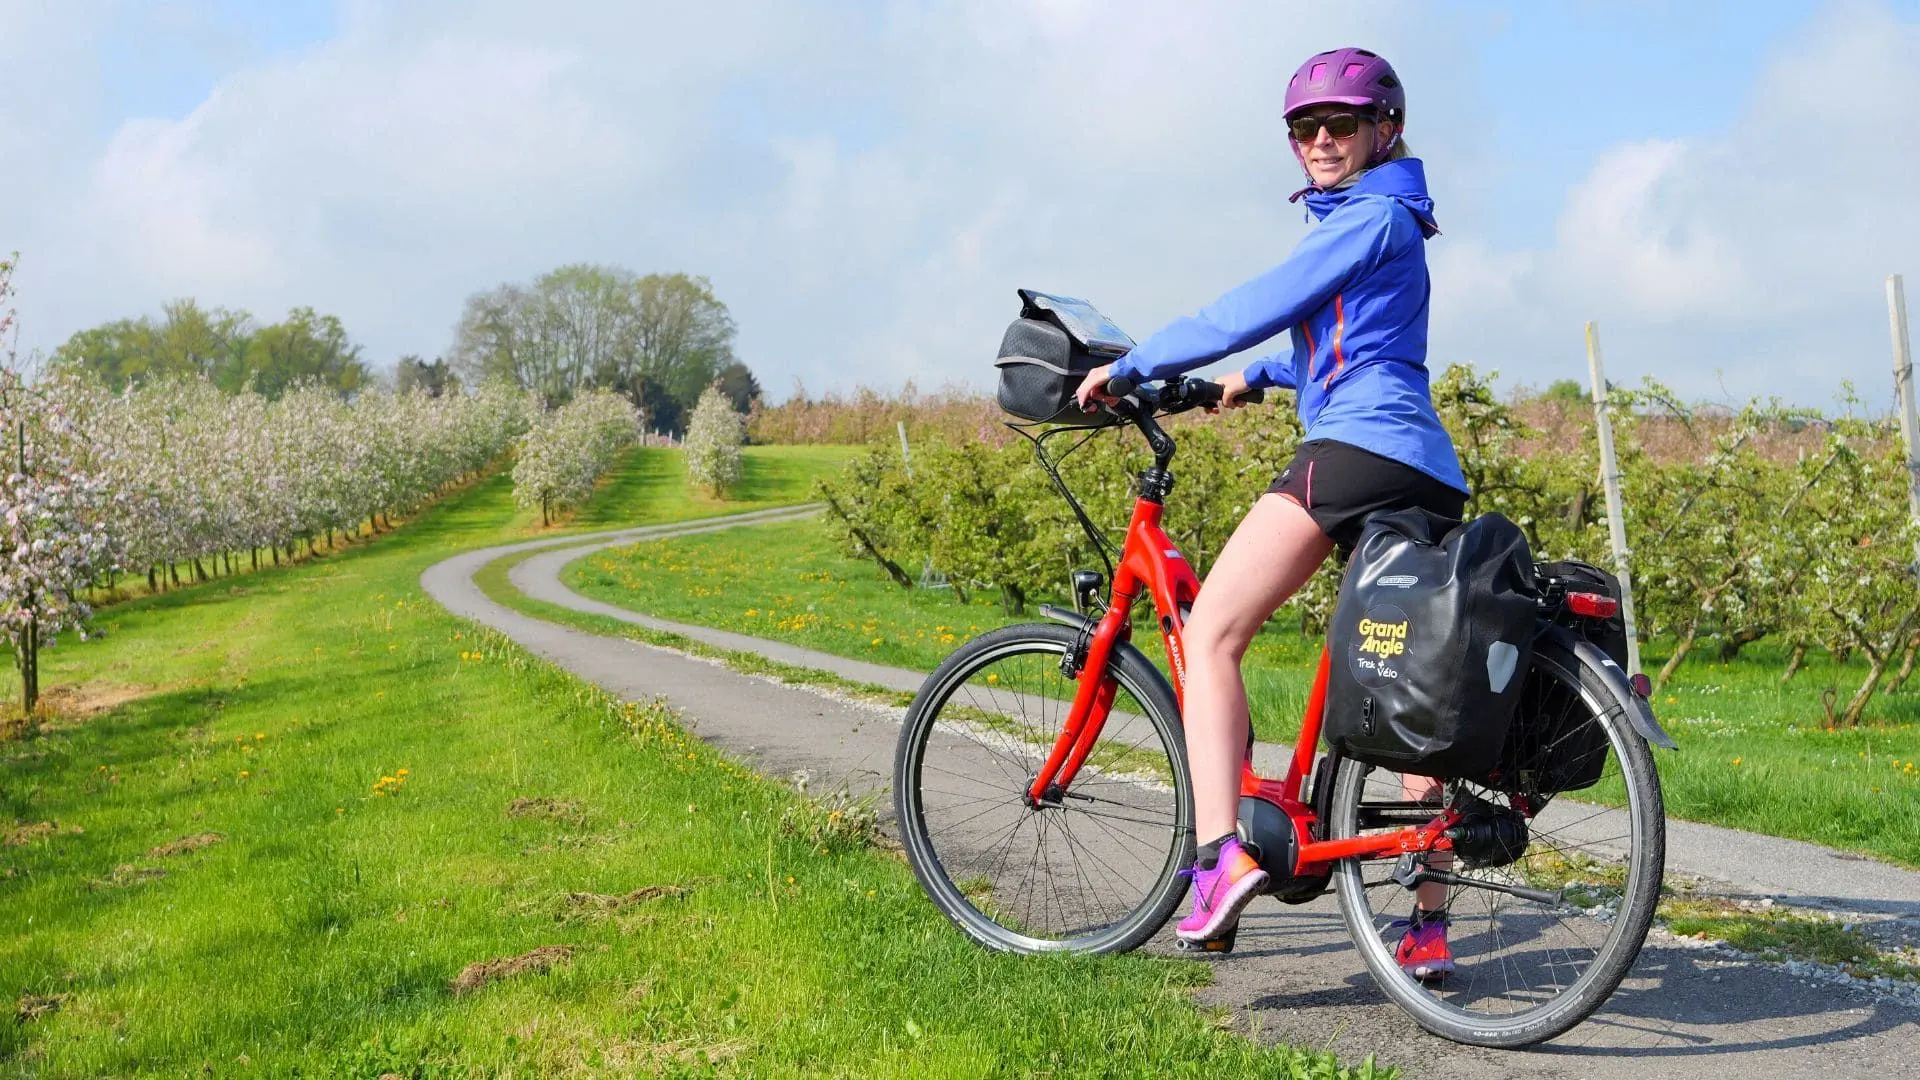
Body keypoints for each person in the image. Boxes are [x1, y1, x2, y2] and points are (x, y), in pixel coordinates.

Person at [1072, 47, 1468, 978]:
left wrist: (1136, 364)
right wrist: (1258, 378)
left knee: (1211, 633)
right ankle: (1427, 924)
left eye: (1341, 125)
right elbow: (1358, 341)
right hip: (1424, 467)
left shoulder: (1366, 214)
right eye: (1304, 129)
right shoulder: (1392, 221)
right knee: (1410, 692)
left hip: (1358, 454)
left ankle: (1220, 863)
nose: (1321, 142)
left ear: (1386, 130)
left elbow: (1256, 303)